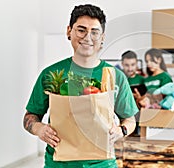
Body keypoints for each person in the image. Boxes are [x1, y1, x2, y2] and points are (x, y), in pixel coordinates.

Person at [23, 4, 138, 167]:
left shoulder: (115, 76)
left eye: (95, 32)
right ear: (69, 31)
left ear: (102, 37)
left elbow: (130, 120)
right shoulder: (50, 74)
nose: (88, 37)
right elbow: (29, 116)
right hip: (59, 163)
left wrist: (121, 130)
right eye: (81, 30)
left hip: (102, 164)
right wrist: (39, 129)